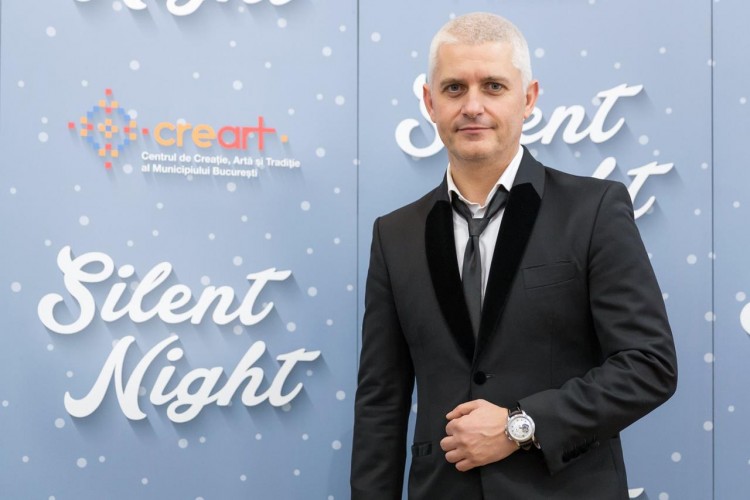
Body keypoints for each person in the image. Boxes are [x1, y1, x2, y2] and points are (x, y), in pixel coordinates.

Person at [350, 11, 677, 500]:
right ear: (430, 102)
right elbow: (381, 401)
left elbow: (649, 365)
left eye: (494, 86)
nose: (473, 106)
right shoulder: (394, 235)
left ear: (528, 98)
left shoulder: (594, 210)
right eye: (454, 88)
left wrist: (520, 426)